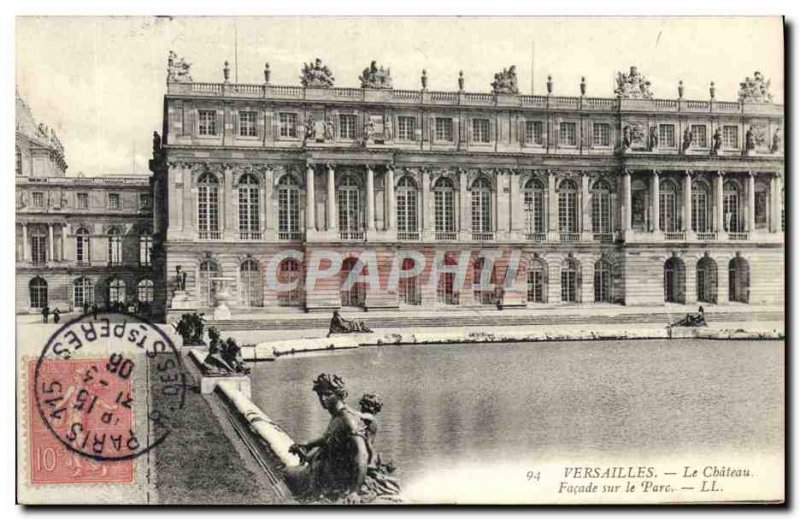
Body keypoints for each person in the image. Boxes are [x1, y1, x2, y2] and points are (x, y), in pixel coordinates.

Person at [287, 374, 370, 503]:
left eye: (328, 394)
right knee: (289, 474)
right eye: (320, 394)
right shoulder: (337, 415)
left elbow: (362, 454)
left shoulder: (348, 420)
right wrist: (307, 444)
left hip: (339, 478)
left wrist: (354, 491)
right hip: (328, 471)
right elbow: (329, 438)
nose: (323, 399)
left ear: (339, 394)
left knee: (288, 475)